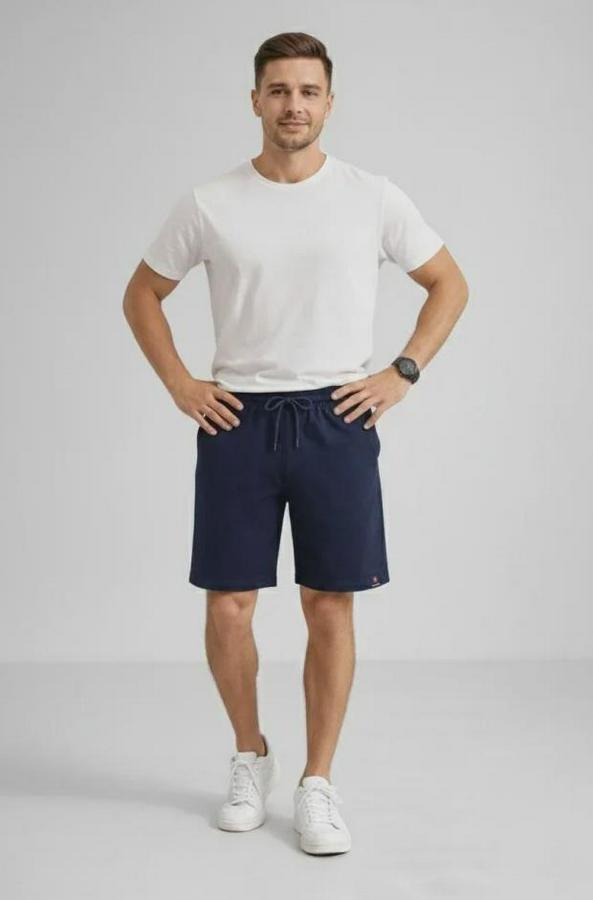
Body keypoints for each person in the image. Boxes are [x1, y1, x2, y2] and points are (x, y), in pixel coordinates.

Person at [122, 31, 469, 856]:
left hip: (334, 419)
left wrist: (401, 372)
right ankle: (251, 755)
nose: (293, 105)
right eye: (278, 90)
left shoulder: (370, 196)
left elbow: (448, 283)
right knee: (228, 605)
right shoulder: (210, 202)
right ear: (255, 100)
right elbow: (141, 294)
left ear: (329, 102)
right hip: (238, 419)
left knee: (327, 603)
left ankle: (318, 782)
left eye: (308, 91)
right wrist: (180, 383)